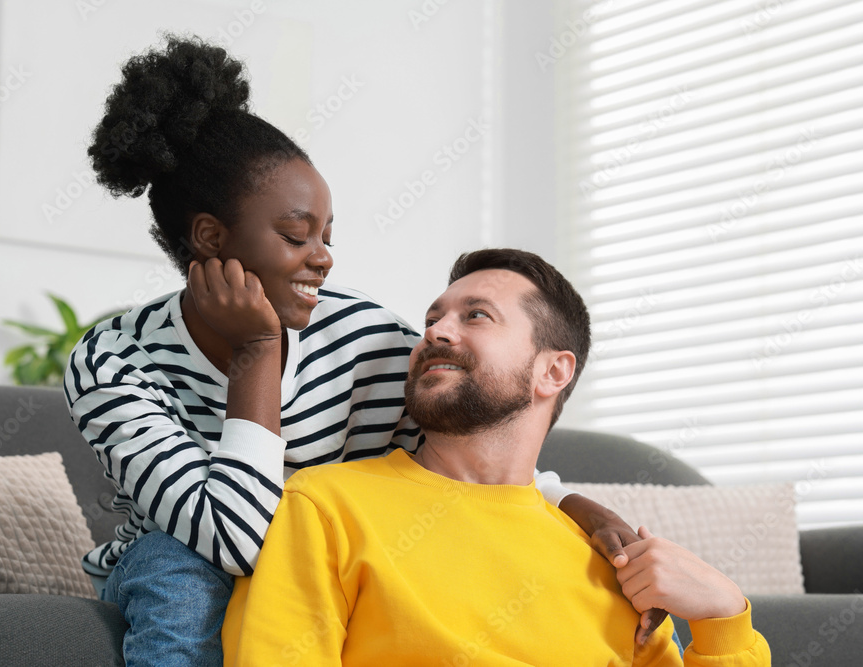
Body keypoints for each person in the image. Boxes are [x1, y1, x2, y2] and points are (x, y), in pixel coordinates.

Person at [65, 37, 667, 667]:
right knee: (177, 569)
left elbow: (467, 449)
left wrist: (571, 505)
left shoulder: (367, 336)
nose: (323, 258)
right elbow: (232, 540)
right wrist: (259, 352)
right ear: (211, 238)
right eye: (297, 237)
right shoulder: (114, 362)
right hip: (188, 554)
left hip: (329, 542)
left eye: (327, 237)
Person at [222, 248, 771, 666]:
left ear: (553, 371)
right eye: (433, 318)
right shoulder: (324, 507)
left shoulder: (615, 565)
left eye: (476, 316)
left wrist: (724, 614)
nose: (435, 330)